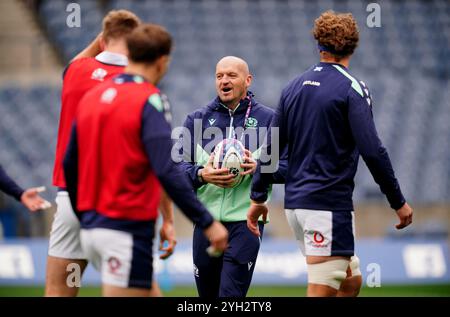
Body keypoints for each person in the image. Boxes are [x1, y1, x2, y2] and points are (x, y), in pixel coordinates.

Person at [247, 11, 413, 297]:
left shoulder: (293, 88)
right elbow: (372, 151)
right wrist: (397, 201)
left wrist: (258, 197)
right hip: (327, 206)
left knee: (350, 281)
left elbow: (272, 146)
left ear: (319, 44)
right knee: (321, 290)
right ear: (353, 46)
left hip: (296, 208)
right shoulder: (353, 88)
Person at [63, 23, 228, 297]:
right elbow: (165, 167)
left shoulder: (93, 96)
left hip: (93, 227)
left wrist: (85, 215)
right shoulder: (150, 99)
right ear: (162, 62)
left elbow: (70, 163)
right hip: (124, 230)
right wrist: (207, 222)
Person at [47, 10, 172, 297]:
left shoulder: (76, 72)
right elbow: (159, 161)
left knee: (58, 292)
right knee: (136, 288)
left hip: (72, 201)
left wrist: (103, 36)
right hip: (119, 207)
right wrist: (167, 219)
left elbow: (81, 59)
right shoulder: (141, 86)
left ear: (103, 40)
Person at [179, 56, 285, 298]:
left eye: (231, 75)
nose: (224, 81)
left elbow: (291, 167)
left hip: (246, 223)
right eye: (219, 76)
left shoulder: (271, 121)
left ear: (247, 80)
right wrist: (202, 174)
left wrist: (259, 166)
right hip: (206, 223)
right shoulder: (196, 120)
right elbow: (176, 171)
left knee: (230, 296)